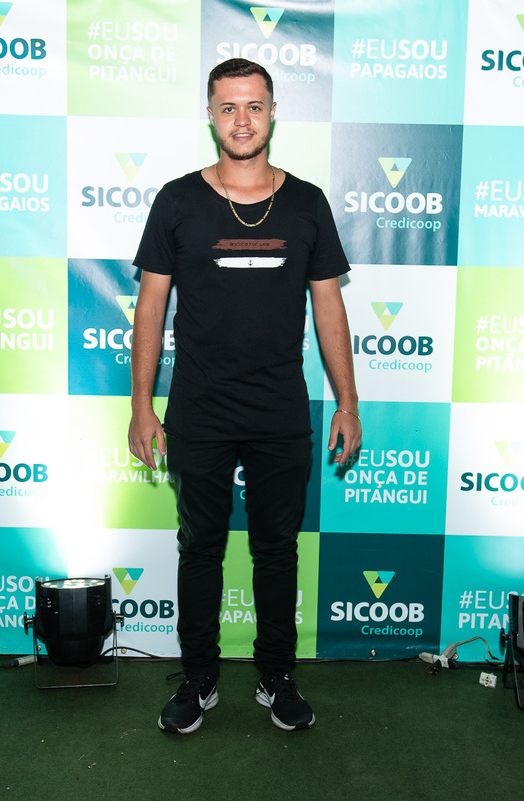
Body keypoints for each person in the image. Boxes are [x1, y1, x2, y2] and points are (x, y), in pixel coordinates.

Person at [128, 57, 361, 734]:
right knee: (200, 546)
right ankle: (198, 677)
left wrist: (347, 403)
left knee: (277, 549)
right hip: (199, 409)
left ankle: (276, 675)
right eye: (228, 107)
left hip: (279, 410)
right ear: (210, 114)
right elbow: (150, 309)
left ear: (273, 113)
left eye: (254, 106)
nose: (241, 120)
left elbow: (329, 310)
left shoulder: (307, 203)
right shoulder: (177, 201)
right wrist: (141, 407)